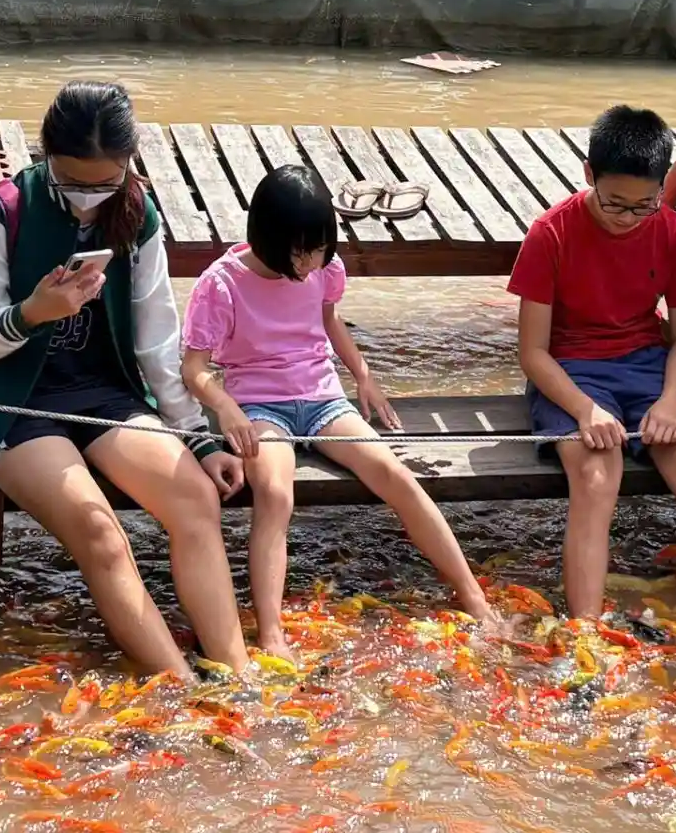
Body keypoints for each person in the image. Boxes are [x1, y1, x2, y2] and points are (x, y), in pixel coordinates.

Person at [0, 81, 248, 678]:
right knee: (100, 532)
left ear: (128, 164)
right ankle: (181, 688)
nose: (86, 200)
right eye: (72, 182)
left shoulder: (138, 213)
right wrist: (31, 314)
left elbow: (155, 340)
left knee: (196, 498)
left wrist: (197, 437)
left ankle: (237, 674)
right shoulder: (3, 211)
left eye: (104, 183)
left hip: (102, 391)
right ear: (46, 153)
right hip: (9, 395)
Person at [181, 166, 499, 658]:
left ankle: (472, 596)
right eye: (301, 250)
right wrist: (225, 408)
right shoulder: (221, 285)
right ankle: (271, 633)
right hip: (262, 406)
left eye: (320, 248)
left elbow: (329, 321)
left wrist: (364, 375)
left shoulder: (324, 268)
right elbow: (194, 368)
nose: (311, 262)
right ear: (268, 239)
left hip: (323, 397)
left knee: (395, 474)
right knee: (275, 494)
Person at [509, 104, 676, 619]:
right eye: (614, 203)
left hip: (648, 365)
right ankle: (586, 633)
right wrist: (584, 410)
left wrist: (670, 403)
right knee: (598, 477)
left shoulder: (670, 231)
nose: (628, 218)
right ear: (588, 176)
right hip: (571, 370)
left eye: (644, 205)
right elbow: (532, 352)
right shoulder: (549, 233)